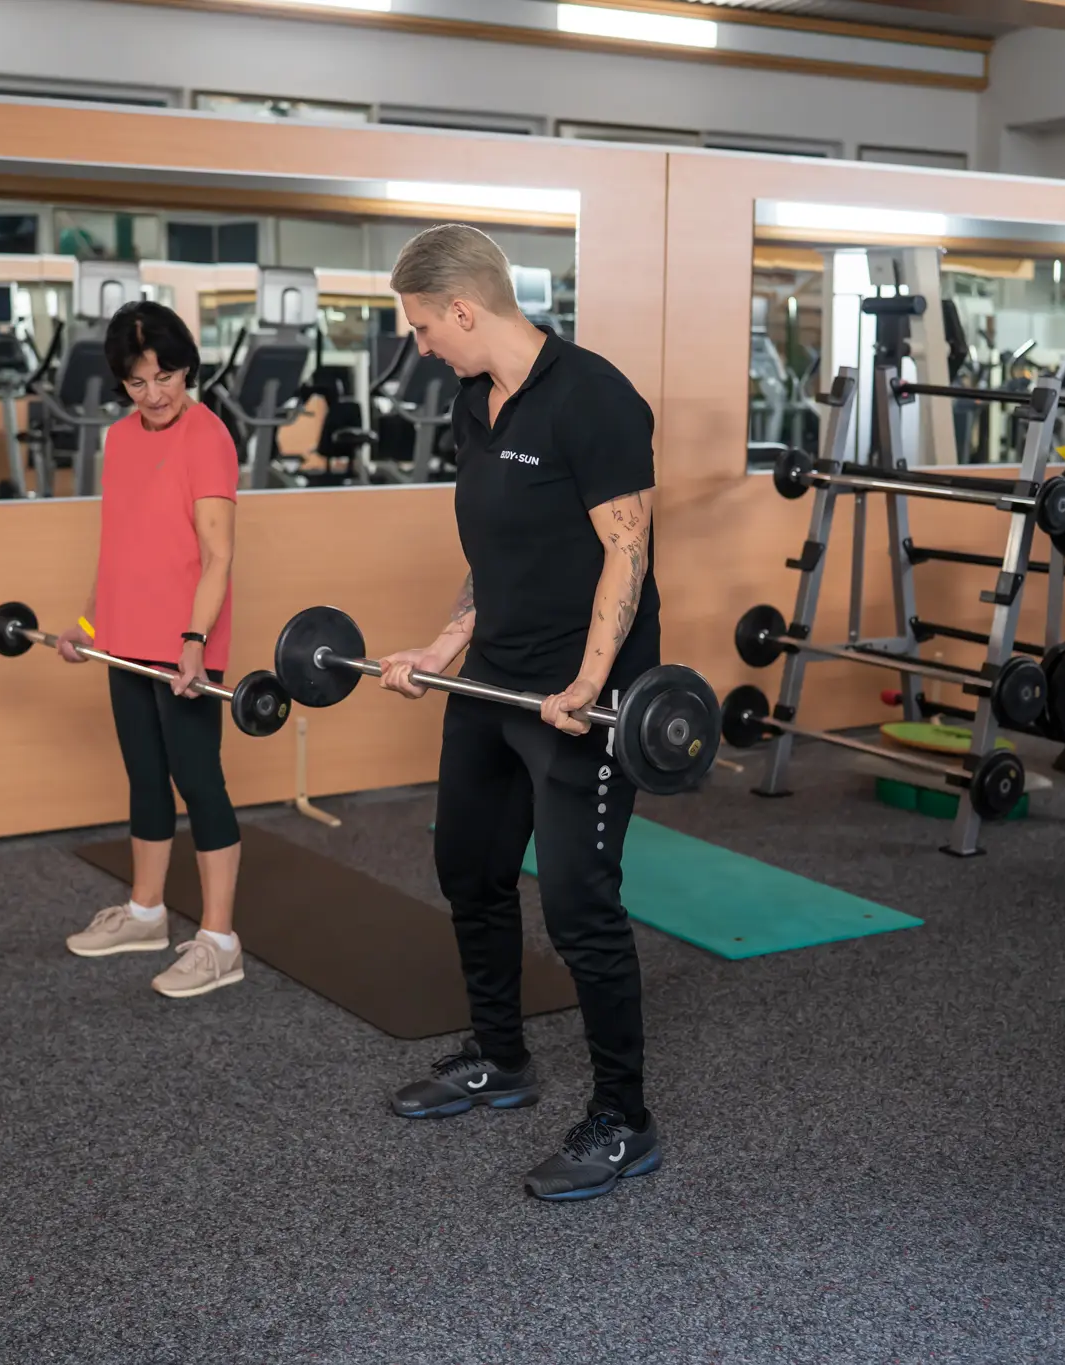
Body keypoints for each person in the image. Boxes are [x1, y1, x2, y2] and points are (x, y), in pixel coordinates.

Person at [377, 224, 662, 1202]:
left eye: (422, 327)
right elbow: (495, 552)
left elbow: (627, 549)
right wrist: (442, 646)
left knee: (580, 905)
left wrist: (589, 682)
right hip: (493, 682)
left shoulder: (595, 398)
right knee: (469, 867)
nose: (419, 346)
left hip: (580, 697)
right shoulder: (474, 402)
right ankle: (501, 1059)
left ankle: (624, 1119)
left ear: (462, 310)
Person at [59, 300, 247, 1001]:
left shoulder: (208, 436)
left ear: (186, 368)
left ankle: (220, 941)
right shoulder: (118, 439)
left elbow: (218, 556)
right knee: (144, 775)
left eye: (165, 376)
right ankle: (145, 913)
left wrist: (194, 642)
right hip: (124, 641)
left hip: (183, 643)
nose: (155, 393)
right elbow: (119, 546)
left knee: (198, 780)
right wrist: (89, 623)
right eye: (138, 382)